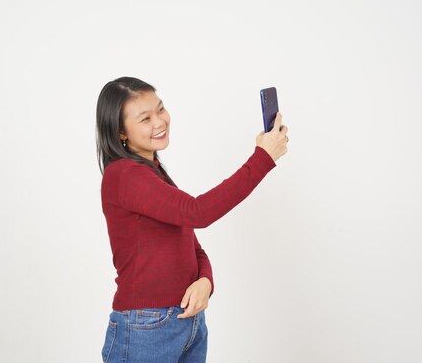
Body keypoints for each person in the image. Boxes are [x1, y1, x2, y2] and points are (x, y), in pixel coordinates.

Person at [96, 77, 289, 363]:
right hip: (146, 329)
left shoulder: (153, 174)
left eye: (160, 110)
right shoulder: (124, 175)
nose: (160, 122)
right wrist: (262, 158)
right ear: (121, 132)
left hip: (187, 323)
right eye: (145, 118)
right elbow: (198, 213)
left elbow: (192, 245)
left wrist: (205, 281)